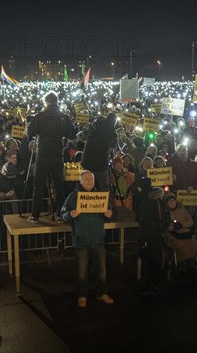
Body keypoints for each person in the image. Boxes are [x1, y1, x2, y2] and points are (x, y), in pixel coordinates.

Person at [60, 171, 115, 308]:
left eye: (91, 178)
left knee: (101, 270)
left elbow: (110, 211)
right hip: (81, 240)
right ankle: (82, 295)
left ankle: (102, 293)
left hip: (98, 239)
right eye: (86, 179)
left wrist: (110, 213)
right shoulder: (73, 197)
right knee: (82, 271)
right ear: (81, 181)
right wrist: (70, 214)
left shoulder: (101, 197)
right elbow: (62, 214)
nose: (89, 181)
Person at [26, 91, 76, 222]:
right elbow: (72, 134)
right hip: (56, 156)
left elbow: (30, 132)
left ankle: (35, 215)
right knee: (58, 187)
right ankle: (60, 214)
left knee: (38, 187)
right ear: (57, 101)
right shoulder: (63, 117)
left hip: (42, 156)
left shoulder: (40, 116)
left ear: (45, 102)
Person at [138, 185, 169, 296]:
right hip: (150, 235)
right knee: (151, 260)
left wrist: (163, 227)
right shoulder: (149, 203)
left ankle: (153, 285)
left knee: (154, 260)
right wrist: (158, 228)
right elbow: (146, 219)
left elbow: (166, 217)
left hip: (155, 235)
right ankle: (151, 285)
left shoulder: (160, 203)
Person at [163, 194, 197, 284]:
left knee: (193, 243)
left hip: (184, 232)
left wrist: (182, 225)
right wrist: (174, 227)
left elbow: (190, 221)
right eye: (169, 201)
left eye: (173, 201)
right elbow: (165, 224)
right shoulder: (165, 212)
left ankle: (191, 265)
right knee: (181, 245)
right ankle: (181, 266)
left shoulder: (182, 209)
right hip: (171, 234)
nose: (172, 203)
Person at [80, 113, 118, 191]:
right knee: (103, 187)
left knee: (85, 186)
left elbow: (82, 136)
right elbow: (114, 145)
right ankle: (103, 202)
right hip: (101, 164)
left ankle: (84, 202)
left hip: (87, 161)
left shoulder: (95, 124)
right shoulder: (112, 130)